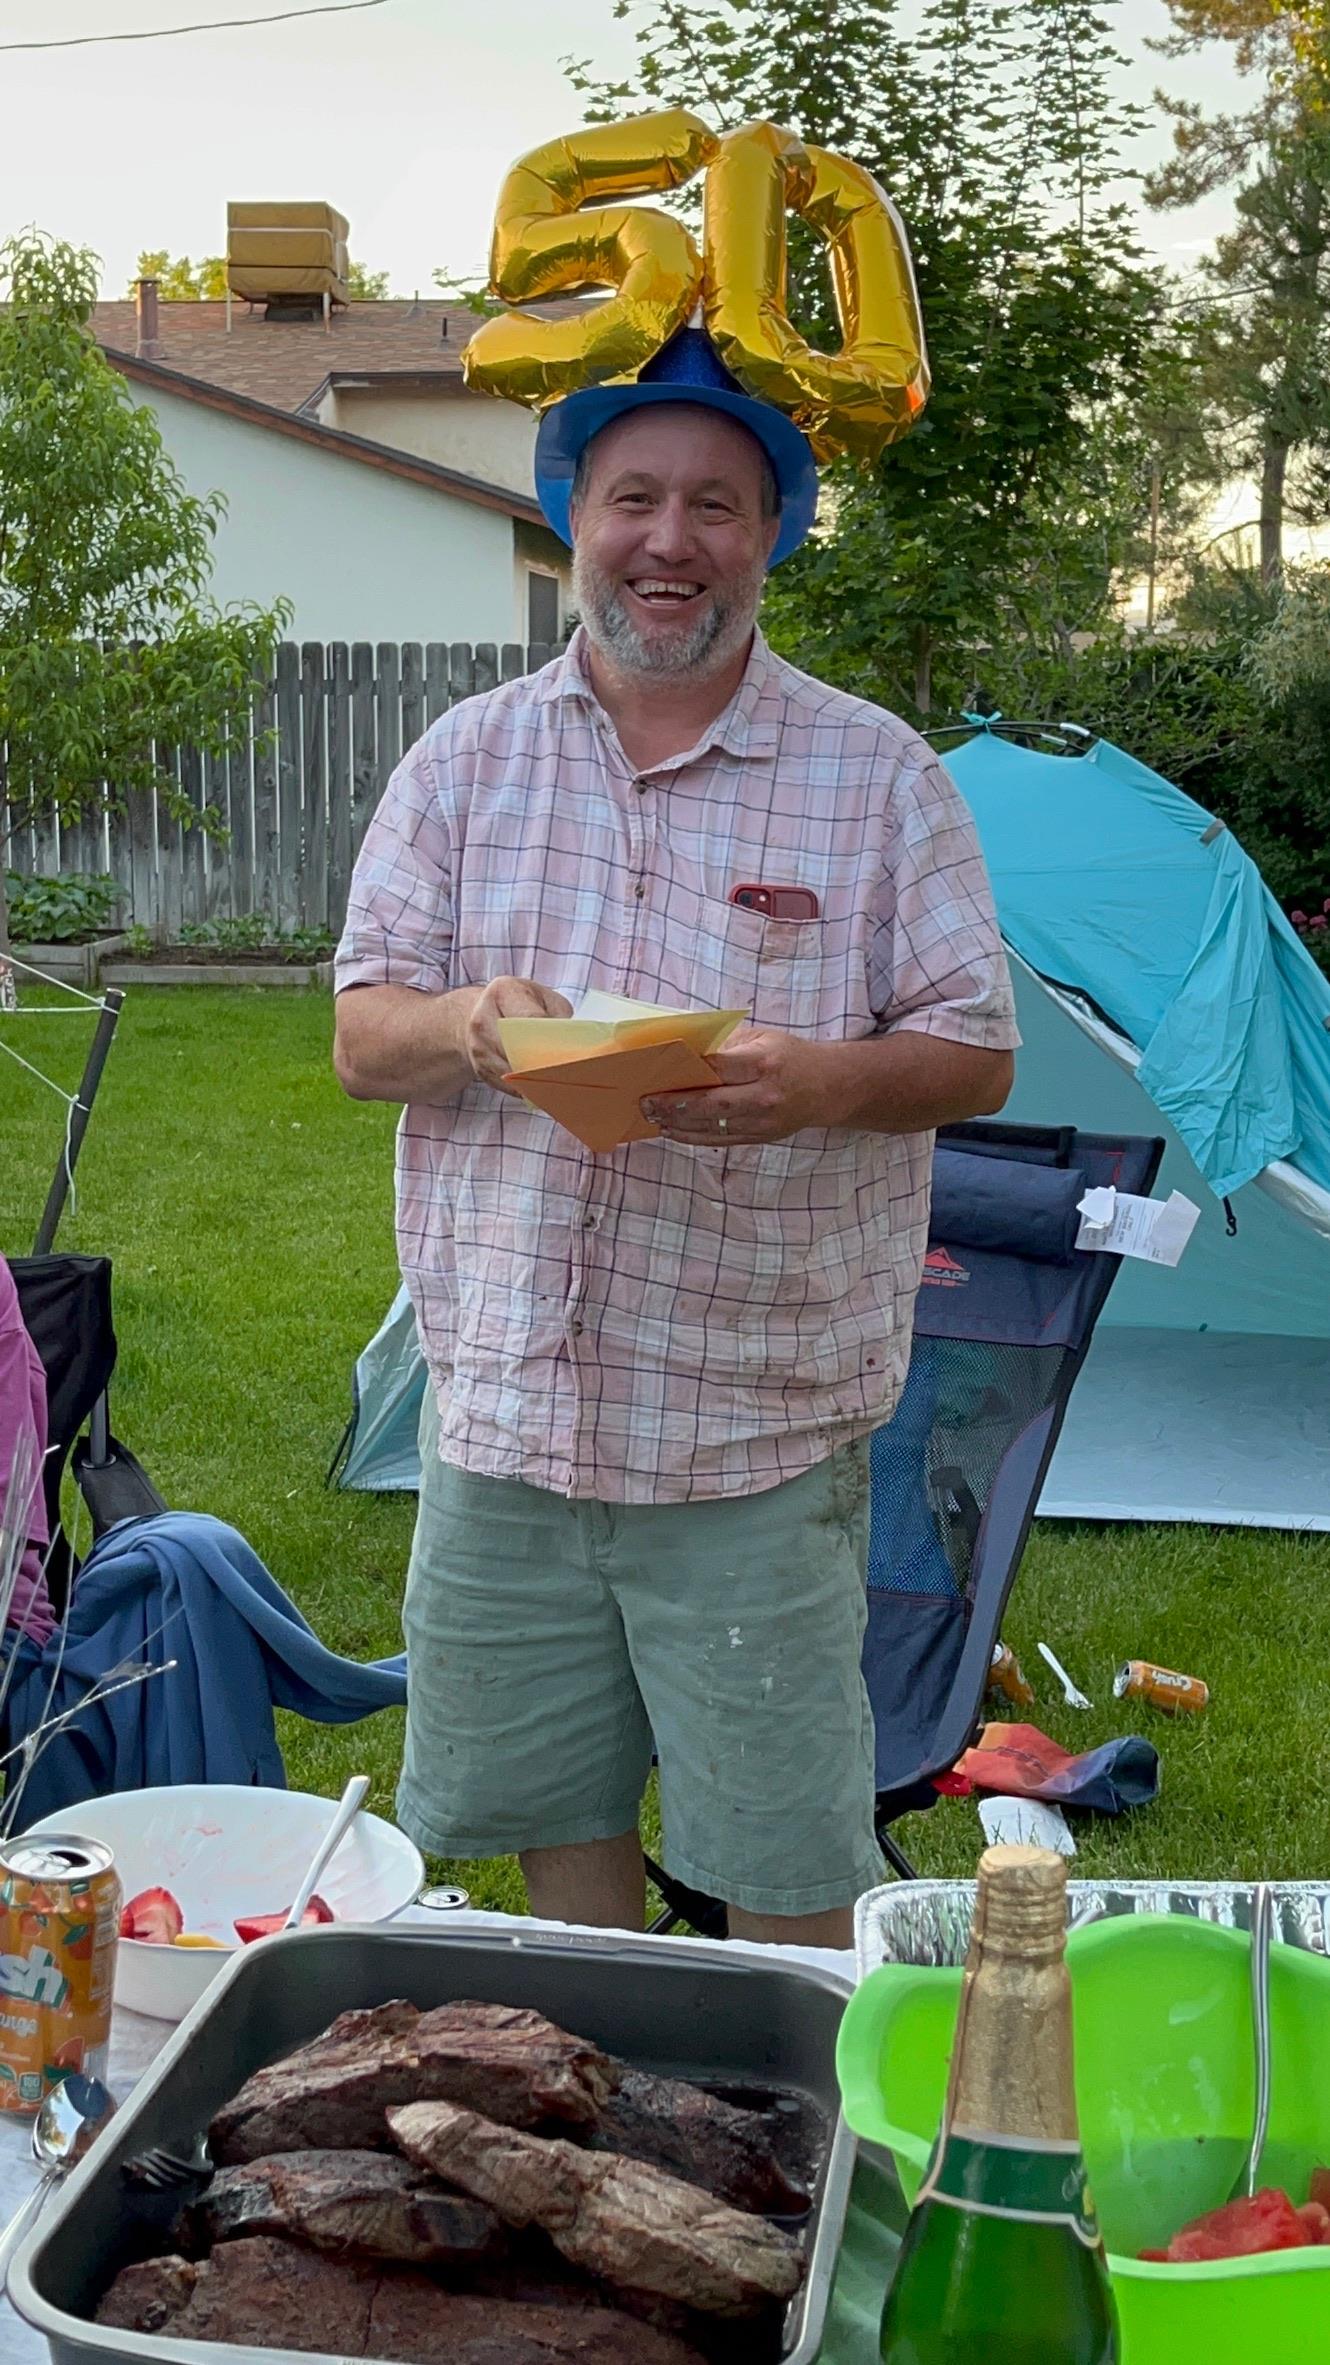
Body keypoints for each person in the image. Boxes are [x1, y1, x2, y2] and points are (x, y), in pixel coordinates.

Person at [333, 329, 1018, 1949]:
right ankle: (597, 2052)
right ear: (572, 516)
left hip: (747, 1428)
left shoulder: (877, 777)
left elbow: (976, 1053)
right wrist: (469, 1026)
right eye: (632, 497)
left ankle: (778, 2083)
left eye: (716, 504)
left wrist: (822, 1082)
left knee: (780, 1860)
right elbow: (364, 1036)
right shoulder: (462, 761)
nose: (669, 540)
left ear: (770, 533)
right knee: (554, 1826)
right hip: (506, 1405)